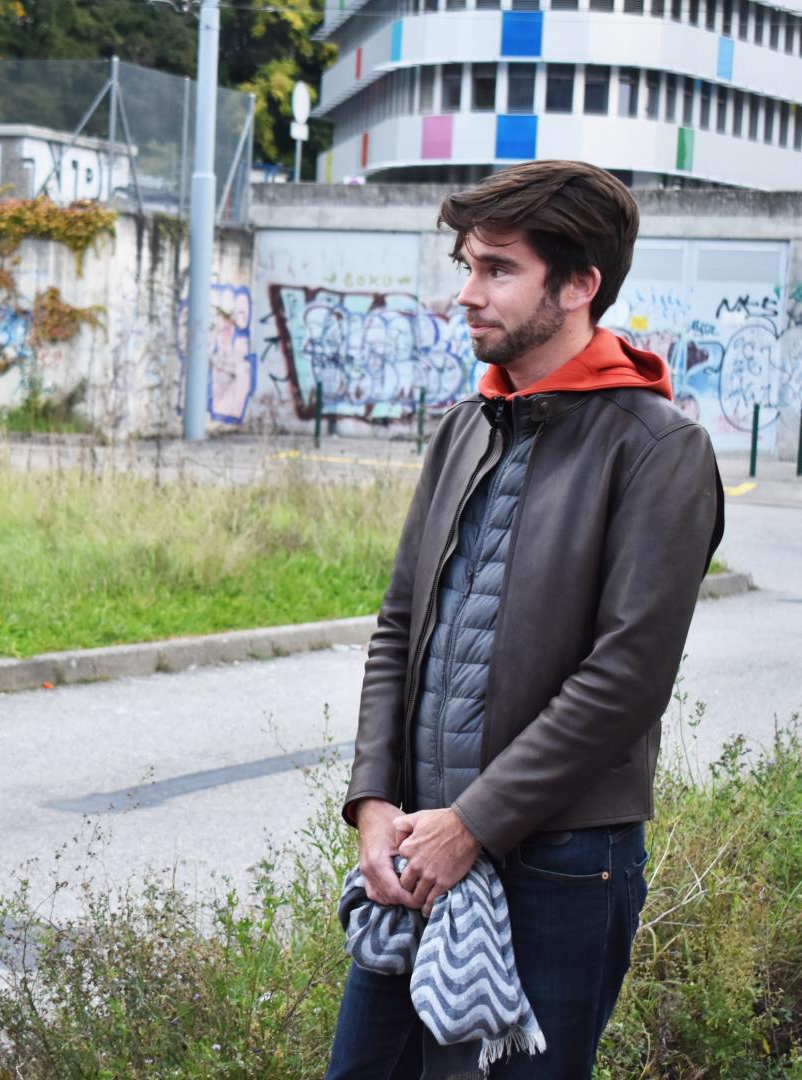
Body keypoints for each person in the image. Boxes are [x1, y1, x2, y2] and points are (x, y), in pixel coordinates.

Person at [326, 160, 725, 1078]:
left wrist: (476, 822)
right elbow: (399, 625)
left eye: (498, 269)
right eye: (466, 265)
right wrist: (376, 800)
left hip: (560, 870)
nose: (466, 294)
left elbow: (626, 679)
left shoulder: (660, 450)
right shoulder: (467, 426)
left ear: (580, 283)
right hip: (418, 854)